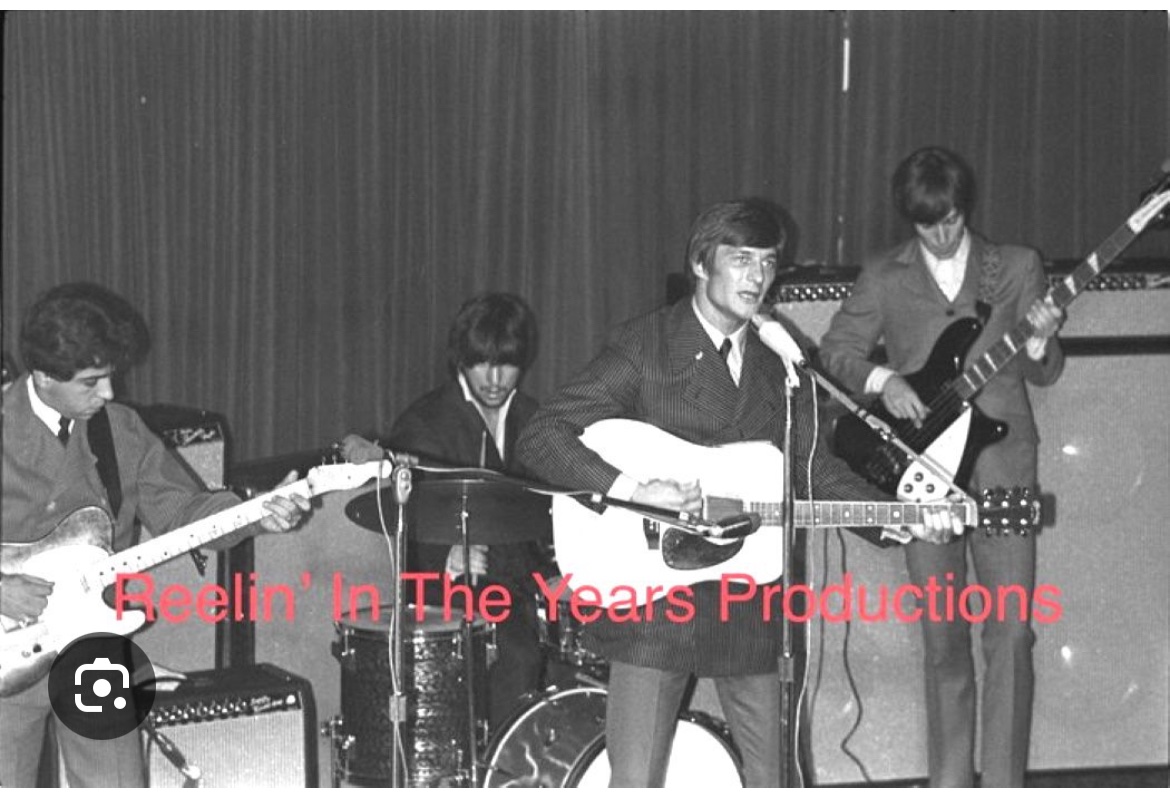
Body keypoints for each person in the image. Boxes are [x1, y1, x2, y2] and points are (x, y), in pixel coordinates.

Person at [515, 198, 961, 788]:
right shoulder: (647, 346)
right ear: (702, 264)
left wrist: (897, 515)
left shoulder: (783, 366)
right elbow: (542, 436)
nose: (757, 277)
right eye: (741, 259)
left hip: (747, 601)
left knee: (774, 778)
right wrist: (631, 490)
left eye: (768, 262)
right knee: (636, 780)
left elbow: (809, 472)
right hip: (656, 602)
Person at [819, 146, 1065, 787]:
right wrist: (886, 380)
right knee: (943, 637)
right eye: (928, 226)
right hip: (921, 468)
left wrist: (1040, 337)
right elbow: (837, 352)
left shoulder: (1015, 266)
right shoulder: (884, 274)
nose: (943, 235)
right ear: (912, 221)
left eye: (951, 220)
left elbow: (1043, 370)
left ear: (965, 208)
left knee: (1011, 634)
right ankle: (950, 786)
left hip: (1004, 467)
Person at [0, 282, 311, 788]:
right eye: (91, 382)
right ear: (43, 377)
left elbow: (184, 510)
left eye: (110, 377)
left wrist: (257, 514)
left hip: (93, 648)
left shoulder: (119, 430)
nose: (109, 393)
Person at [340, 292, 551, 730]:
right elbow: (399, 519)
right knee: (517, 652)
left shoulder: (536, 421)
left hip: (521, 580)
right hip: (446, 587)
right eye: (481, 364)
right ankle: (502, 760)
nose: (495, 379)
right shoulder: (424, 423)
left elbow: (548, 508)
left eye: (507, 364)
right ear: (461, 360)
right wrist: (447, 558)